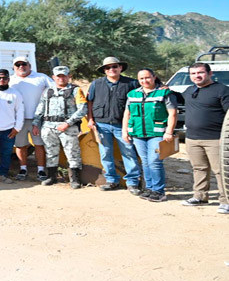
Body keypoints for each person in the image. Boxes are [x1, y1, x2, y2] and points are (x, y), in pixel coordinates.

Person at [86, 57, 141, 194]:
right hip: (101, 124)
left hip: (122, 126)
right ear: (104, 70)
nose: (111, 69)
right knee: (105, 153)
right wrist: (90, 119)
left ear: (120, 68)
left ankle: (133, 182)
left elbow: (146, 92)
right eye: (108, 67)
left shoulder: (131, 83)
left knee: (128, 152)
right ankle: (111, 180)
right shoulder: (96, 84)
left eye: (114, 66)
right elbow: (90, 103)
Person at [121, 68, 177, 202]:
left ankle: (159, 191)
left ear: (154, 77)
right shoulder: (132, 94)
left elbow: (173, 113)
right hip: (138, 134)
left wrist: (169, 131)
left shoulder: (164, 93)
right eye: (141, 79)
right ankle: (150, 188)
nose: (145, 81)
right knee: (145, 162)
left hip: (157, 134)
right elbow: (127, 114)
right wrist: (125, 131)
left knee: (154, 162)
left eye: (147, 78)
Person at [180, 62, 229, 213]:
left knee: (221, 171)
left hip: (215, 139)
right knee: (199, 168)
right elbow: (177, 100)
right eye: (193, 74)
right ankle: (200, 196)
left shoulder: (222, 90)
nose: (197, 76)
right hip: (192, 138)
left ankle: (226, 201)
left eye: (200, 73)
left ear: (210, 73)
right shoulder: (189, 90)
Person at [33, 66, 87, 188]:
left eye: (64, 76)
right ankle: (52, 177)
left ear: (69, 76)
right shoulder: (48, 91)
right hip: (48, 127)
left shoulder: (75, 90)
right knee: (51, 153)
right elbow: (40, 108)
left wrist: (68, 123)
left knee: (72, 153)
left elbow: (83, 109)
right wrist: (35, 123)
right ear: (53, 77)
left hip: (68, 126)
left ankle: (74, 179)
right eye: (58, 76)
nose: (61, 78)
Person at [10, 56, 53, 181]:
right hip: (18, 119)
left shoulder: (41, 77)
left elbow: (56, 88)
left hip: (38, 118)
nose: (21, 67)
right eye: (17, 65)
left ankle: (41, 170)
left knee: (39, 144)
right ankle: (23, 169)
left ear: (29, 65)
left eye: (24, 64)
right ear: (14, 67)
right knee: (20, 145)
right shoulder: (11, 80)